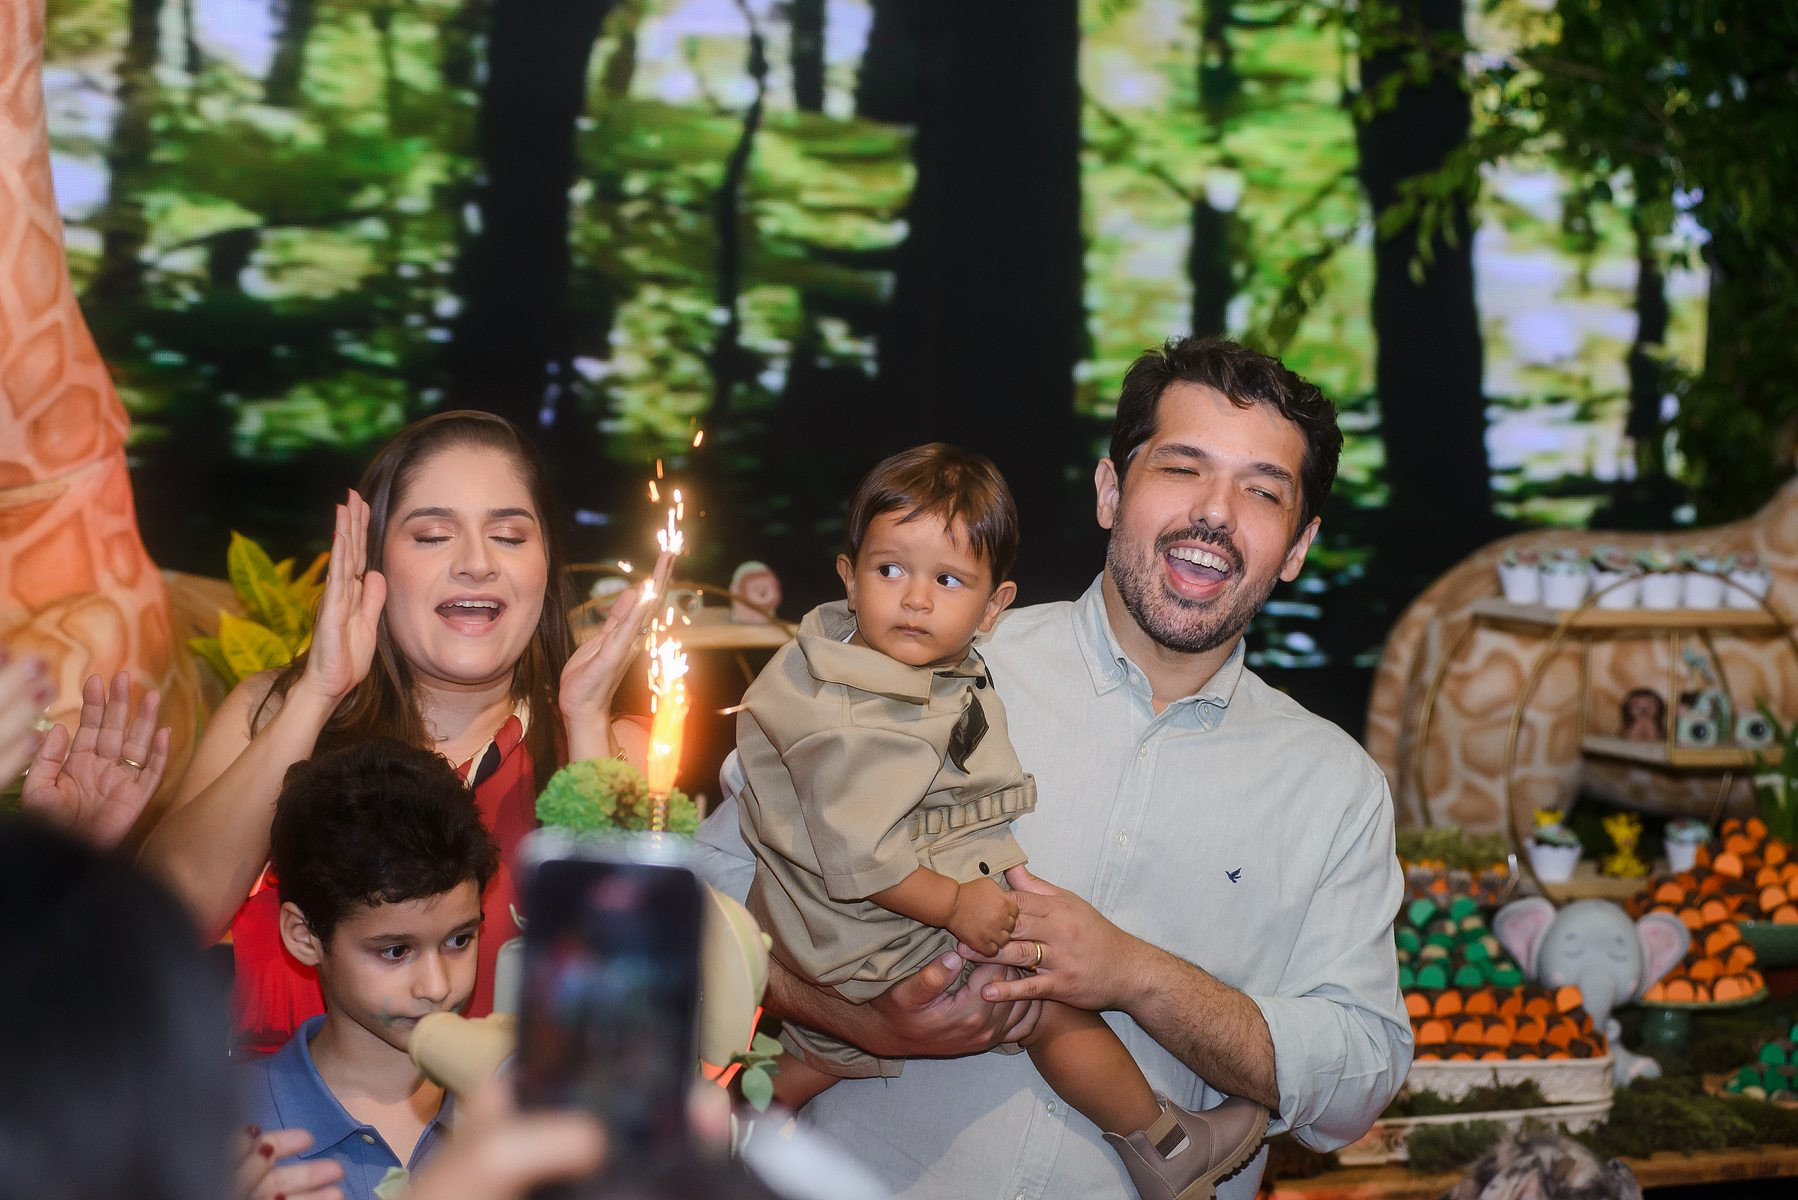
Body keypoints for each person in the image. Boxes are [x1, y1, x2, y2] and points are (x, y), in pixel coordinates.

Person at [693, 337, 1411, 1199]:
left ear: (1297, 546)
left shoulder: (1336, 789)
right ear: (1111, 491)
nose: (1215, 513)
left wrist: (1138, 976)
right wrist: (856, 1016)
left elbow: (1360, 1077)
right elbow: (702, 904)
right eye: (1182, 468)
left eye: (1263, 490)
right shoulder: (914, 665)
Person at [734, 444, 1264, 1200]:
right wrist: (957, 905)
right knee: (1038, 997)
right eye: (890, 570)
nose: (915, 600)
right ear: (848, 577)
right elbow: (865, 863)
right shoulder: (859, 723)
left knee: (828, 1047)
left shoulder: (832, 662)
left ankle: (736, 1120)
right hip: (867, 926)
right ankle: (1163, 1143)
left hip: (815, 927)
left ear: (992, 607)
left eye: (946, 580)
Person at [140, 410, 671, 1052]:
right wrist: (318, 695)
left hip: (520, 1114)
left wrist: (584, 721)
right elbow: (158, 925)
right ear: (375, 564)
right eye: (432, 535)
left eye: (509, 536)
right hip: (285, 1113)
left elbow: (630, 999)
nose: (477, 563)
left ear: (546, 564)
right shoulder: (273, 713)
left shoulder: (612, 747)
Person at [243, 738, 500, 1200]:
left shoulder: (515, 1113)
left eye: (459, 940)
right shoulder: (228, 1127)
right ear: (305, 936)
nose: (436, 986)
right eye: (396, 951)